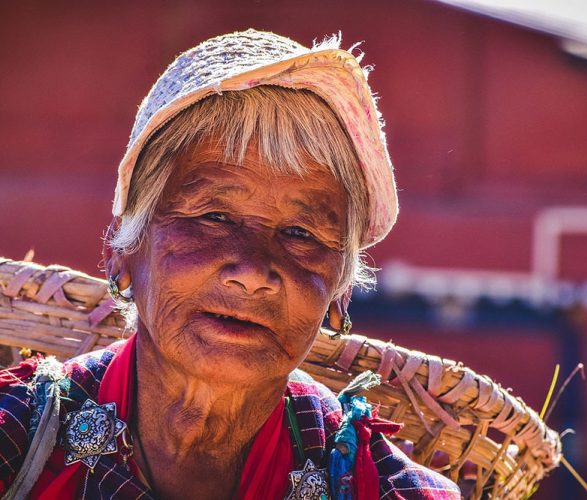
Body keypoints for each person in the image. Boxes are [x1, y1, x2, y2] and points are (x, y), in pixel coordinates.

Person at [0, 29, 461, 499]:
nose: (254, 272)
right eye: (214, 217)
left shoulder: (385, 489)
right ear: (121, 253)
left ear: (339, 293)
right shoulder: (16, 436)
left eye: (301, 234)